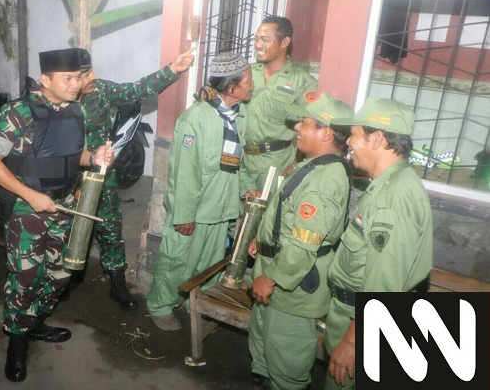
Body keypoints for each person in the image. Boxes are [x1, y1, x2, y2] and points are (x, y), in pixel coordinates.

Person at [0, 48, 115, 383]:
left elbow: (72, 156)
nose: (75, 84)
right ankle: (17, 339)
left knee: (60, 274)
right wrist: (30, 195)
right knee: (25, 278)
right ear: (45, 80)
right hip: (27, 209)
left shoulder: (77, 111)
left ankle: (34, 322)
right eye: (68, 78)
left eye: (78, 77)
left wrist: (95, 156)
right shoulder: (18, 111)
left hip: (63, 206)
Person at [324, 98, 433, 390]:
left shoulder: (394, 198)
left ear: (377, 139)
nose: (348, 141)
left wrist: (352, 341)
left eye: (356, 134)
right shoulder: (389, 184)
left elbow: (385, 285)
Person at [246, 93, 353, 390]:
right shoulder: (312, 166)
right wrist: (262, 240)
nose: (296, 128)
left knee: (285, 360)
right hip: (276, 271)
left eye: (304, 123)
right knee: (265, 348)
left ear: (326, 132)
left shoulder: (324, 178)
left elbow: (305, 242)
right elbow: (290, 218)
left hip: (291, 284)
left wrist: (273, 278)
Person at [76, 47, 195, 311]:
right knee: (63, 227)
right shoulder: (60, 102)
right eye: (85, 74)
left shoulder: (101, 91)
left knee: (109, 227)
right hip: (68, 175)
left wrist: (172, 70)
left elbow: (136, 90)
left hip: (101, 174)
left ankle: (117, 282)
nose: (92, 77)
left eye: (92, 70)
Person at [147, 52, 252, 331]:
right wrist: (183, 214)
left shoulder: (237, 117)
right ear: (232, 87)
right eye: (248, 81)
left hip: (220, 209)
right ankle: (160, 306)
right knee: (176, 263)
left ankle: (195, 306)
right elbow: (185, 172)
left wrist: (243, 195)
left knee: (209, 266)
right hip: (192, 211)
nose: (252, 86)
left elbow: (237, 165)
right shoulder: (195, 118)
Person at [242, 16, 317, 198]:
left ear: (285, 42)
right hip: (241, 164)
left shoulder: (302, 82)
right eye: (256, 39)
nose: (258, 45)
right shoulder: (246, 74)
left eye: (265, 40)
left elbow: (311, 126)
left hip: (276, 165)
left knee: (266, 222)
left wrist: (296, 163)